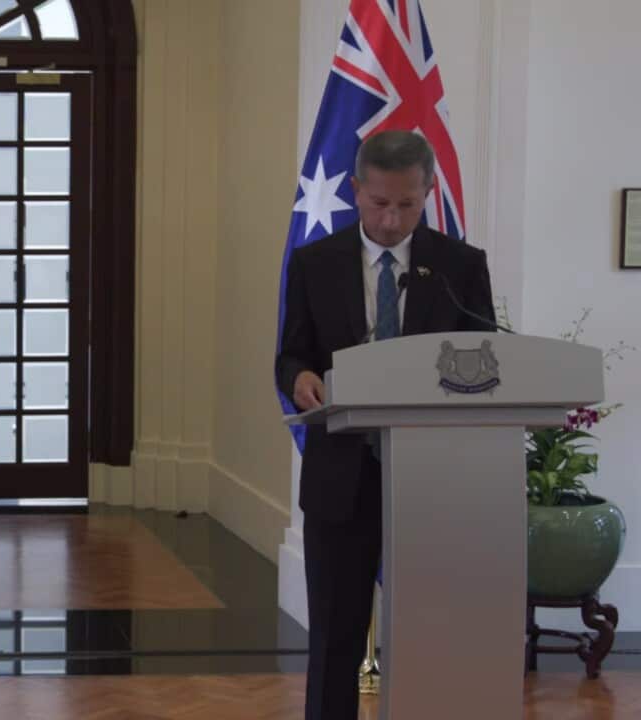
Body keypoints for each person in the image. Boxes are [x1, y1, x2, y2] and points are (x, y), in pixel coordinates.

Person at [275, 130, 495, 720]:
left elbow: (486, 358)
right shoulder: (315, 263)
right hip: (341, 477)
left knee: (431, 634)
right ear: (355, 190)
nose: (392, 219)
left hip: (430, 480)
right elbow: (291, 354)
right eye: (379, 203)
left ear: (428, 193)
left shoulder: (460, 266)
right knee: (334, 637)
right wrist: (300, 378)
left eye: (407, 204)